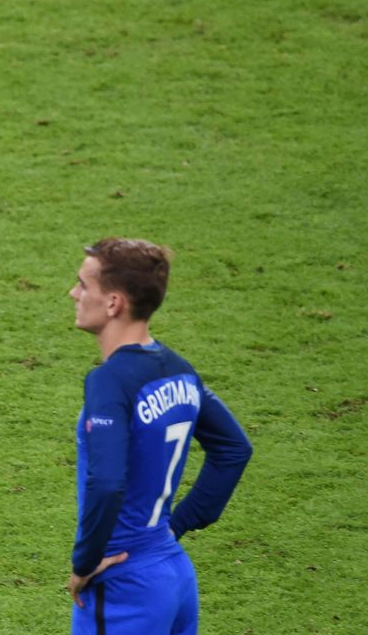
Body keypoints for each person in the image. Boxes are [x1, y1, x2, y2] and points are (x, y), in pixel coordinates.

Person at [66, 238, 251, 633]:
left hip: (123, 586)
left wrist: (85, 562)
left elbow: (108, 481)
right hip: (174, 574)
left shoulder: (109, 382)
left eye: (83, 284)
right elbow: (234, 449)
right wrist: (177, 525)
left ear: (113, 303)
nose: (74, 293)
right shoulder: (180, 370)